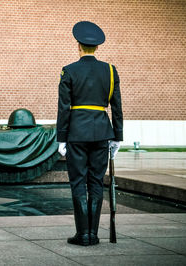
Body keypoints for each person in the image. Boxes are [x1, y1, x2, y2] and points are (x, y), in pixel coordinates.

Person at [56, 21, 123, 246]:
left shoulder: (69, 70)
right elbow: (117, 107)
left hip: (76, 133)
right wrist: (117, 136)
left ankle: (82, 234)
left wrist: (61, 137)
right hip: (102, 132)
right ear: (97, 48)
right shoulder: (111, 71)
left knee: (78, 183)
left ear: (78, 46)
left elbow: (64, 107)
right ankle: (93, 235)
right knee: (96, 182)